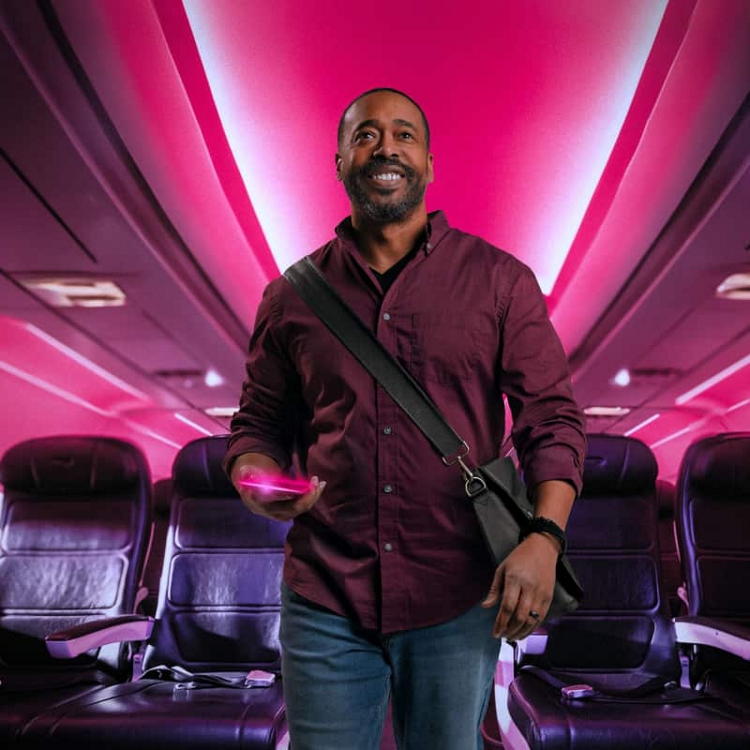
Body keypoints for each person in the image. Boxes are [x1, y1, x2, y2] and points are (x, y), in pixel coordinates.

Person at [224, 87, 586, 750]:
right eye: (365, 135)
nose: (384, 147)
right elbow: (258, 426)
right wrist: (256, 474)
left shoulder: (500, 281)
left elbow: (552, 423)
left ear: (428, 162)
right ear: (338, 161)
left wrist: (544, 538)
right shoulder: (290, 298)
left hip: (457, 593)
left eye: (403, 134)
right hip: (325, 593)